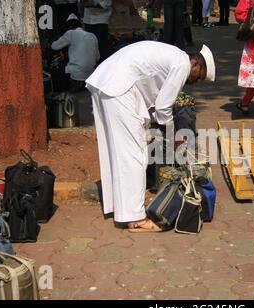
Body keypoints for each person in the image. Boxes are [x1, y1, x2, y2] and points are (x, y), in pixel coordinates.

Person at [85, 41, 215, 232]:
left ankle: (121, 208)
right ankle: (135, 217)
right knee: (135, 155)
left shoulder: (174, 56)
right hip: (120, 87)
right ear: (195, 64)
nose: (196, 82)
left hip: (107, 82)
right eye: (199, 77)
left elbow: (156, 104)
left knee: (116, 151)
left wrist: (166, 131)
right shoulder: (182, 65)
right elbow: (163, 107)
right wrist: (173, 136)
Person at [51, 14, 100, 92]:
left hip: (75, 73)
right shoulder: (92, 36)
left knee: (54, 71)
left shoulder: (70, 33)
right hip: (90, 73)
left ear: (69, 27)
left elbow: (54, 46)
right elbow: (97, 57)